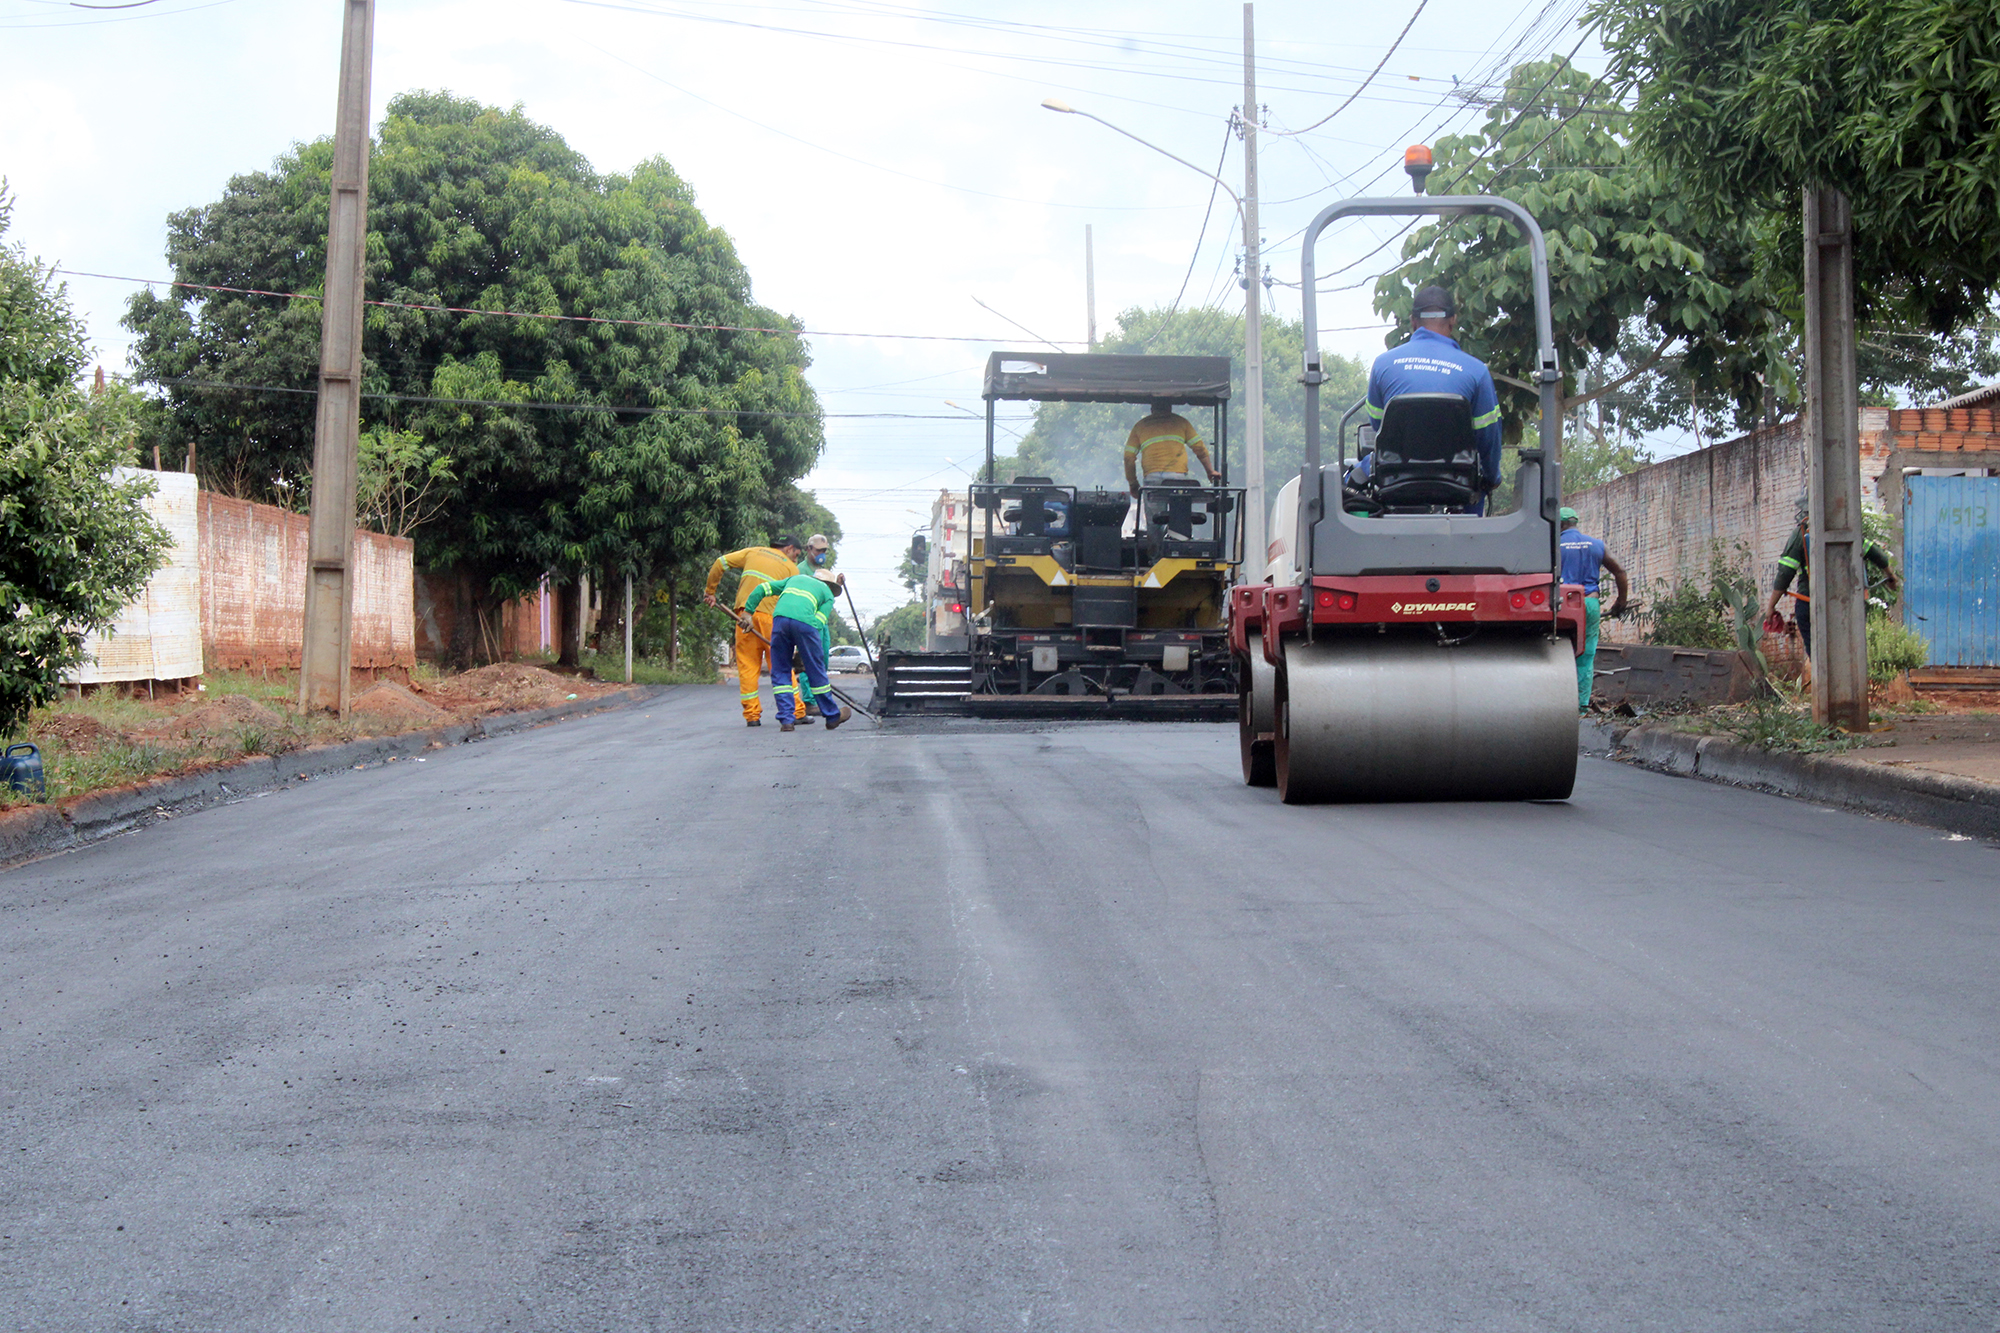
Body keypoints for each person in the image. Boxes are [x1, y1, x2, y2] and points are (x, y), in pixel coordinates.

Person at [1360, 284, 1504, 512]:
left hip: (1395, 483)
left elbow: (1380, 427)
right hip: (1458, 485)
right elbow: (1488, 437)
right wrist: (1491, 478)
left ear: (1413, 321)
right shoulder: (1476, 371)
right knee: (1480, 486)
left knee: (1356, 475)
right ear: (1453, 320)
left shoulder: (1383, 365)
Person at [1759, 504, 1898, 660]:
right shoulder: (1845, 529)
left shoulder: (1801, 534)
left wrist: (1771, 606)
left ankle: (1822, 679)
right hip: (1845, 603)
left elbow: (1785, 573)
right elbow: (1875, 553)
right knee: (1846, 654)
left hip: (1810, 602)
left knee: (1818, 656)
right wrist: (1890, 576)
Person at [705, 534, 809, 727]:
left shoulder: (752, 552)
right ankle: (797, 712)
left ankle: (752, 716)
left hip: (744, 617)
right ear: (788, 549)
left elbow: (720, 563)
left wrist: (710, 592)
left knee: (747, 667)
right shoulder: (791, 568)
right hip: (772, 620)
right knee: (781, 666)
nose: (795, 558)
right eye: (796, 554)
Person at [742, 570, 852, 733]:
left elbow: (762, 589)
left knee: (780, 671)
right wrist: (807, 654)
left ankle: (787, 720)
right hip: (806, 624)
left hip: (779, 620)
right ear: (831, 586)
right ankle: (832, 716)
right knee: (816, 671)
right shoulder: (827, 594)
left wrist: (748, 612)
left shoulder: (795, 579)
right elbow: (819, 623)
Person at [1559, 507, 1630, 711]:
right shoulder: (1596, 544)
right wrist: (1621, 602)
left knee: (1555, 649)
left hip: (1561, 604)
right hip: (1589, 602)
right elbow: (1620, 571)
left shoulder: (1554, 544)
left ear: (1561, 524)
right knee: (1586, 654)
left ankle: (1556, 702)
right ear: (1575, 522)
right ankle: (1580, 707)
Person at [1123, 399, 1218, 499]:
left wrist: (1133, 483)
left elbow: (1128, 457)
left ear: (1152, 409)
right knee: (1179, 512)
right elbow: (1200, 449)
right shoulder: (1181, 422)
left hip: (1152, 478)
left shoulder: (1140, 426)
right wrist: (1210, 471)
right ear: (1170, 408)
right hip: (1178, 477)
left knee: (1155, 514)